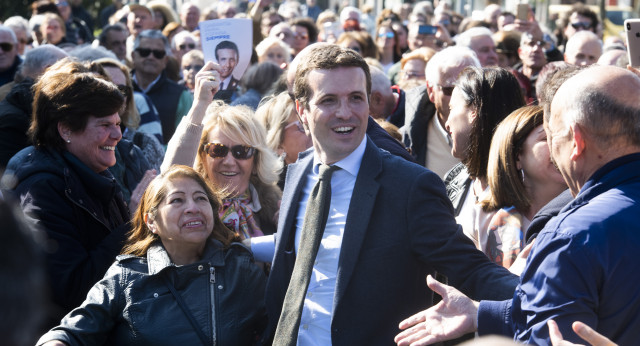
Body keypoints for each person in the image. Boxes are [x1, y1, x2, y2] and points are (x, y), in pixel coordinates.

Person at [262, 44, 518, 345]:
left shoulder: (409, 186)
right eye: (329, 100)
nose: (345, 113)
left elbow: (471, 267)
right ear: (302, 110)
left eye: (356, 98)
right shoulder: (298, 173)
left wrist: (542, 296)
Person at [394, 65, 640, 345]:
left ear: (577, 141)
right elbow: (554, 311)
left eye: (552, 134)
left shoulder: (571, 237)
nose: (551, 150)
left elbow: (548, 334)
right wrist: (481, 313)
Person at [36, 165, 267, 346]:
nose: (193, 207)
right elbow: (73, 332)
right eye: (177, 200)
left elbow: (281, 328)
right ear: (151, 221)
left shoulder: (240, 269)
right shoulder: (127, 277)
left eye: (201, 198)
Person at [5, 59, 131, 324]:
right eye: (105, 125)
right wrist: (133, 223)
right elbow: (71, 289)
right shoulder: (41, 189)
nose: (117, 134)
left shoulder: (92, 169)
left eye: (118, 123)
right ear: (66, 130)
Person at [162, 62, 281, 238]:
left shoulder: (278, 208)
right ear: (202, 156)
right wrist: (200, 104)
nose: (229, 161)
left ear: (256, 160)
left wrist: (289, 234)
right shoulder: (189, 209)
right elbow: (172, 174)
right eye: (218, 150)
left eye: (242, 151)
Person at [444, 67, 525, 245]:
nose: (447, 123)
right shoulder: (455, 179)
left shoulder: (527, 188)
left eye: (451, 108)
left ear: (475, 111)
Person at [479, 106, 567, 268]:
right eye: (545, 138)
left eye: (562, 137)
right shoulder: (499, 222)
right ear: (517, 156)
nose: (558, 146)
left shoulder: (586, 211)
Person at [403, 46, 480, 177]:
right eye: (450, 89)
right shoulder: (405, 141)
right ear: (431, 91)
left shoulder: (500, 135)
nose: (461, 97)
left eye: (469, 89)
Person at [0, 44, 68, 169]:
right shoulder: (13, 117)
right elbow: (11, 178)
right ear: (49, 70)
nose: (72, 80)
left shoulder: (23, 99)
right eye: (68, 73)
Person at [94, 58, 165, 170]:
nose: (115, 95)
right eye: (106, 87)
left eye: (122, 89)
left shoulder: (146, 144)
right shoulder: (76, 141)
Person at [131, 29, 193, 143]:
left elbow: (186, 140)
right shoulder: (118, 87)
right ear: (133, 56)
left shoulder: (181, 95)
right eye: (144, 52)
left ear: (165, 60)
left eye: (158, 54)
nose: (151, 57)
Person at [255, 91, 313, 188]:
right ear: (278, 144)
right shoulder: (278, 194)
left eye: (313, 123)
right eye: (303, 126)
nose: (312, 132)